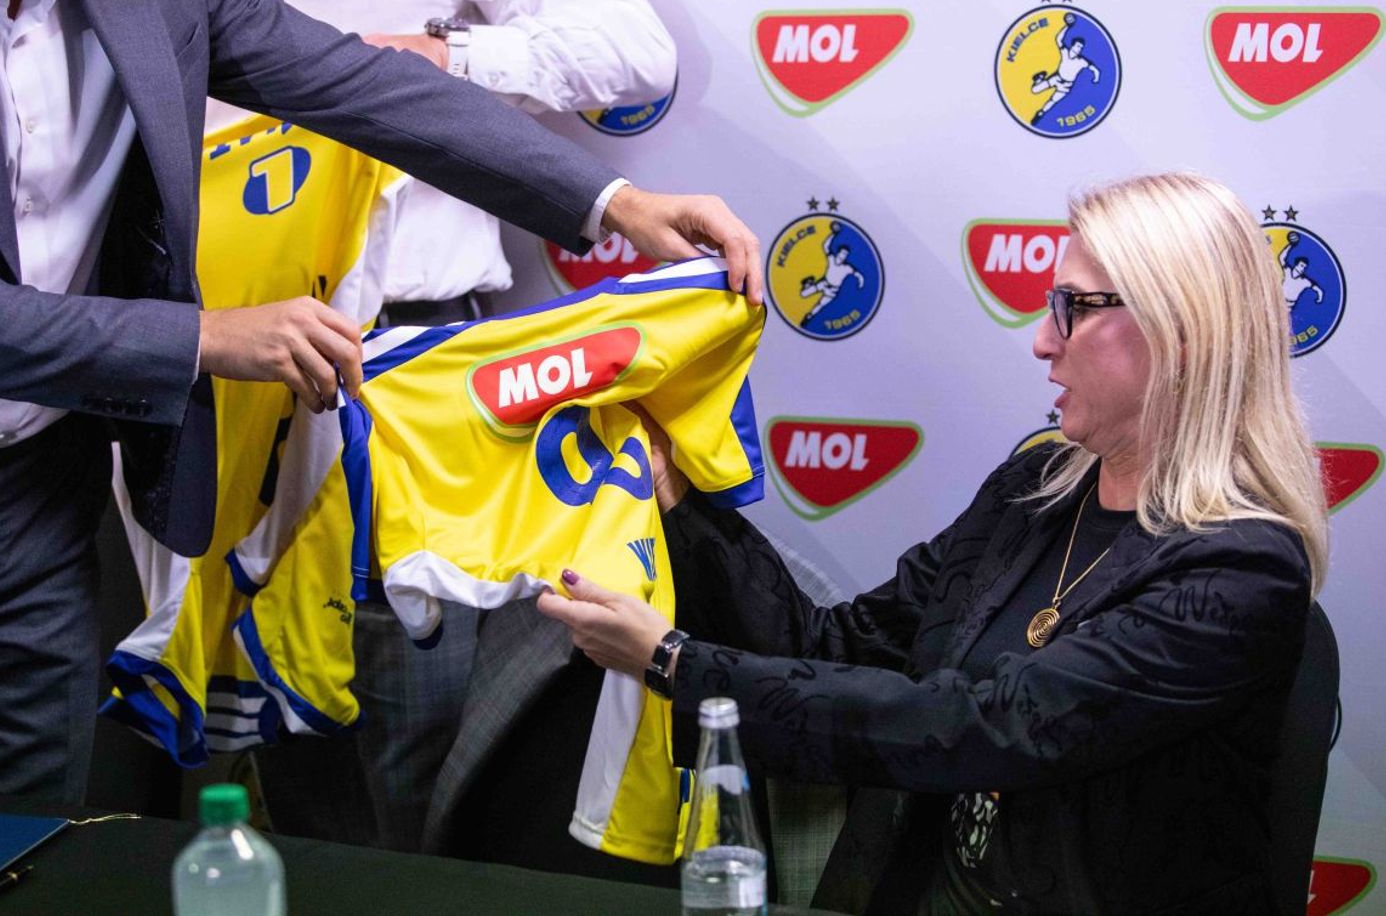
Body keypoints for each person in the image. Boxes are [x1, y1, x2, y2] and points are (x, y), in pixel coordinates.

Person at [0, 0, 759, 804]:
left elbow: (349, 82)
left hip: (41, 507)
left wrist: (614, 204)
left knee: (22, 843)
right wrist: (206, 338)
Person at [540, 172, 1328, 913]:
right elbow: (828, 646)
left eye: (1072, 308)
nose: (1042, 341)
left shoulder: (1245, 568)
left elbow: (982, 728)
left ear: (1180, 330)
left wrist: (672, 662)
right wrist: (677, 495)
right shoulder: (1033, 492)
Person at [177, 0, 678, 851]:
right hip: (214, 367)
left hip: (398, 370)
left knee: (413, 743)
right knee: (260, 720)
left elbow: (634, 48)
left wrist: (441, 59)